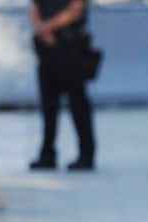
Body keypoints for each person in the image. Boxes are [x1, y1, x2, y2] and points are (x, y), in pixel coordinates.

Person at [28, 0, 96, 171]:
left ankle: (86, 154)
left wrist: (46, 27)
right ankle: (47, 154)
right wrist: (41, 28)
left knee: (78, 104)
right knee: (48, 105)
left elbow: (76, 10)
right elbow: (34, 8)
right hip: (47, 51)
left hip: (70, 48)